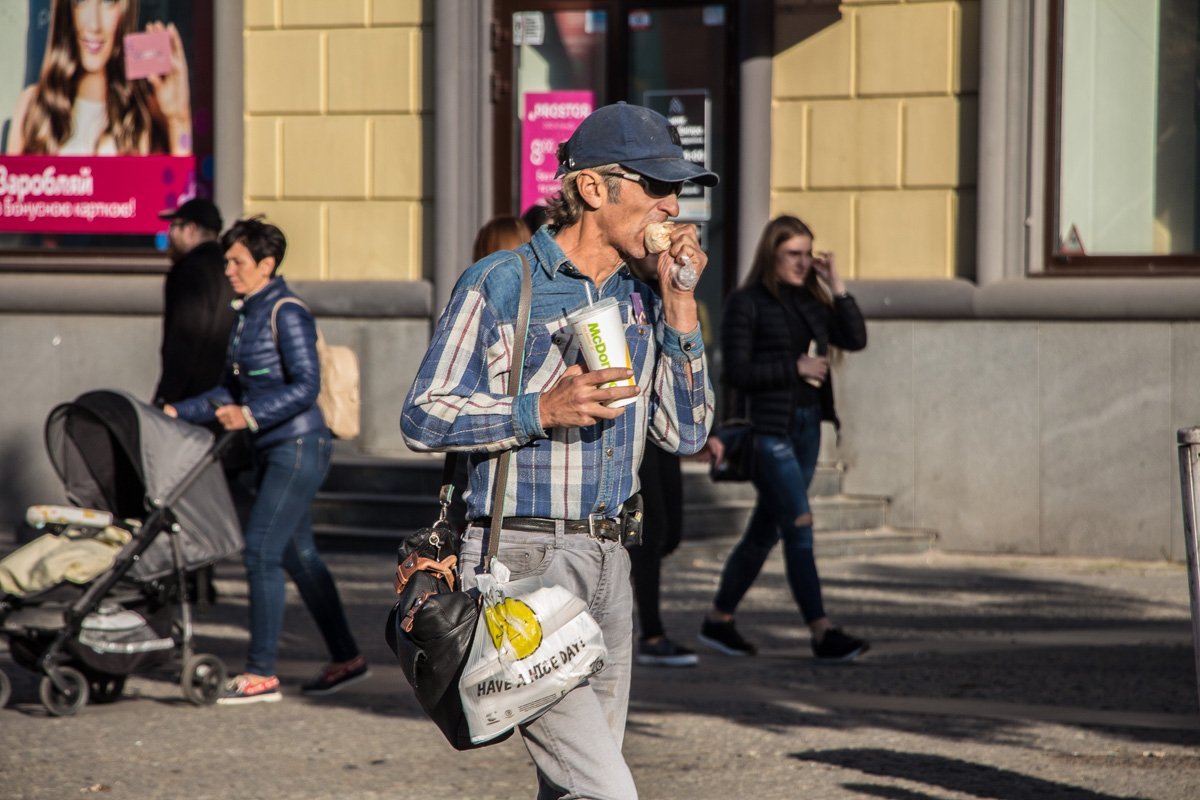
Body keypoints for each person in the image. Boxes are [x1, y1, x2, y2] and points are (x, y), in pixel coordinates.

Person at [401, 101, 717, 799]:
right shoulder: (503, 283)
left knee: (571, 788)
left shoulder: (643, 296)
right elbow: (423, 415)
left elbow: (685, 434)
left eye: (678, 189)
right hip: (520, 563)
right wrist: (540, 408)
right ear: (595, 189)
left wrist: (681, 309)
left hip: (611, 560)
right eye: (656, 186)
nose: (673, 205)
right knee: (607, 788)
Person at [164, 217, 368, 704]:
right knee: (299, 556)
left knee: (259, 551)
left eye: (236, 261)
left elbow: (305, 385)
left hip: (298, 447)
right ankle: (347, 659)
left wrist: (249, 415)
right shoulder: (249, 312)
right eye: (227, 261)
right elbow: (230, 389)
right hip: (274, 447)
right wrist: (178, 410)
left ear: (266, 264)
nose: (228, 270)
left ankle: (260, 674)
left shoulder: (286, 311)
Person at [698, 214, 870, 663]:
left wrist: (837, 284)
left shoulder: (811, 300)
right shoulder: (746, 302)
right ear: (771, 255)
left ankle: (718, 620)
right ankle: (822, 631)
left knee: (764, 530)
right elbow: (734, 371)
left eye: (808, 254)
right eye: (793, 254)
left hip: (807, 425)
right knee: (799, 525)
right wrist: (794, 368)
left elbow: (855, 338)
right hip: (768, 431)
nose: (802, 262)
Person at [7, 0, 191, 155]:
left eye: (108, 1)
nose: (94, 25)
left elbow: (180, 191)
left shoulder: (144, 112)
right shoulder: (33, 106)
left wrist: (179, 120)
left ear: (125, 10)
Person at [153, 198, 233, 407]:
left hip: (192, 395)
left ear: (190, 229)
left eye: (173, 227)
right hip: (225, 391)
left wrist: (167, 396)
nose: (169, 234)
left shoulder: (189, 271)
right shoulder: (231, 269)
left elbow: (185, 336)